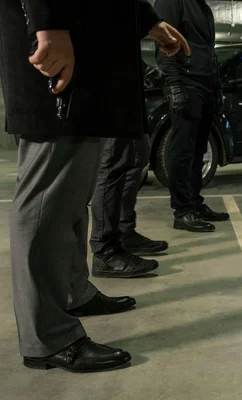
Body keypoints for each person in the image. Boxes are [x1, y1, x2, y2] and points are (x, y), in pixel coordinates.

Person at [0, 0, 189, 372]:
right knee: (47, 200)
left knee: (70, 195)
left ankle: (73, 292)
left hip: (83, 49)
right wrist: (48, 23)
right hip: (59, 46)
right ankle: (48, 337)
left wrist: (149, 21)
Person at [154, 0, 230, 233]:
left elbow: (209, 50)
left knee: (198, 151)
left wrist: (216, 88)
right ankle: (183, 211)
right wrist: (174, 85)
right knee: (182, 150)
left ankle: (195, 203)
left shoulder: (202, 7)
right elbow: (164, 45)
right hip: (187, 84)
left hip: (205, 84)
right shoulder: (171, 1)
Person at [90, 129, 168, 279]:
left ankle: (124, 231)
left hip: (131, 107)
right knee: (113, 163)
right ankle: (104, 251)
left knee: (137, 157)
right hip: (113, 108)